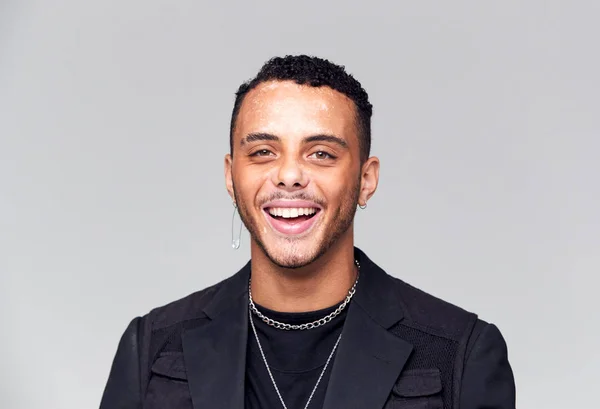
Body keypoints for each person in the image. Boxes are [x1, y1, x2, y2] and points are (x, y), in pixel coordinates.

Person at [100, 55, 516, 409]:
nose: (289, 175)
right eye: (263, 152)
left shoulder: (461, 352)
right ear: (231, 177)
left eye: (321, 153)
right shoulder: (151, 346)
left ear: (366, 180)